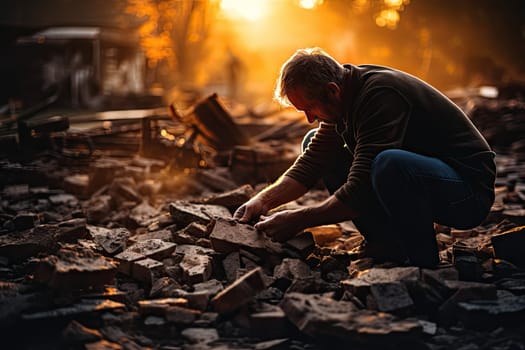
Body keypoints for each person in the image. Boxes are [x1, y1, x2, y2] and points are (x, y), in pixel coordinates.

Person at [233, 47, 497, 268]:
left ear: (332, 90)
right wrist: (261, 201)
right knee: (312, 142)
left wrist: (298, 219)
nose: (310, 118)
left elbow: (359, 189)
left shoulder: (380, 95)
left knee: (389, 164)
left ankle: (423, 264)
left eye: (310, 108)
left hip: (466, 193)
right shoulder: (345, 97)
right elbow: (311, 164)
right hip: (430, 179)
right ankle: (388, 244)